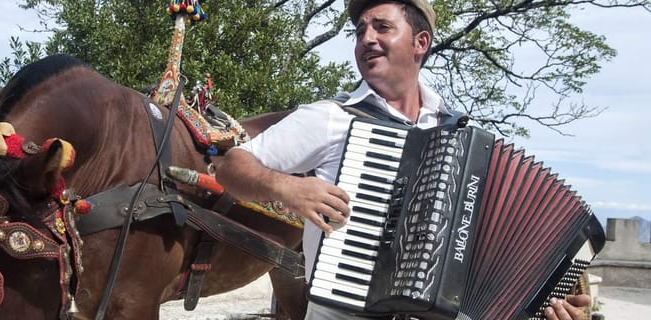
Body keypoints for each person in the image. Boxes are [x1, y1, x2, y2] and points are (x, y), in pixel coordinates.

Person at [214, 0, 591, 319]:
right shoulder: (330, 117)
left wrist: (547, 306)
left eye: (381, 27)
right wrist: (289, 187)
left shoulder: (460, 134)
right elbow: (231, 166)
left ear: (420, 43)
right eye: (360, 31)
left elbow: (500, 256)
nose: (367, 39)